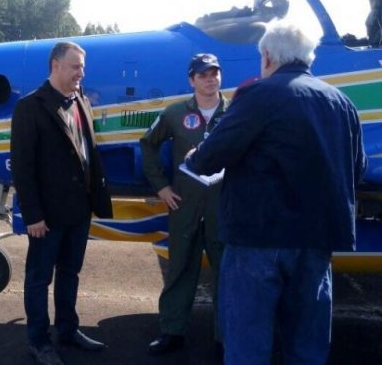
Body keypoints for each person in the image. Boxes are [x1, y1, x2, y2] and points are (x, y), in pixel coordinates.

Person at [185, 21, 367, 365]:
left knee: (248, 343)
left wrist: (195, 157)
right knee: (307, 345)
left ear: (267, 56)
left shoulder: (258, 95)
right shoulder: (342, 102)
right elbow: (357, 170)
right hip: (316, 241)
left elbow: (211, 157)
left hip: (258, 238)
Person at [10, 41, 113, 365]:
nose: (81, 73)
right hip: (48, 216)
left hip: (79, 211)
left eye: (82, 67)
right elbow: (23, 168)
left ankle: (67, 330)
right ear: (55, 66)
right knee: (39, 279)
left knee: (70, 273)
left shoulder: (81, 101)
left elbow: (88, 152)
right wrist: (33, 215)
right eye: (75, 67)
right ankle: (38, 342)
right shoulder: (30, 107)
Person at [140, 53, 228, 356]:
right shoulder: (175, 113)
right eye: (203, 75)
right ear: (191, 80)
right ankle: (172, 331)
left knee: (227, 274)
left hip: (223, 208)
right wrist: (161, 187)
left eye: (214, 73)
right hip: (184, 207)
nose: (210, 79)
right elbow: (148, 144)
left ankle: (226, 337)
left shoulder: (236, 113)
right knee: (179, 270)